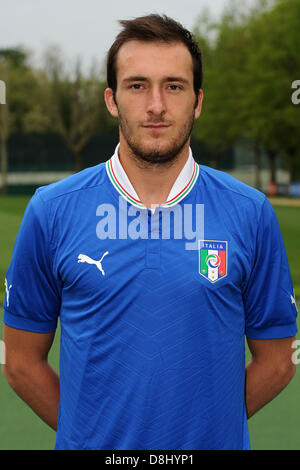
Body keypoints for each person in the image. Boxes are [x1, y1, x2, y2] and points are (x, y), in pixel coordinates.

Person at [2, 14, 298, 451]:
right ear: (112, 99)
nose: (156, 105)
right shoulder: (52, 211)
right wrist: (89, 435)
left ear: (197, 101)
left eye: (174, 86)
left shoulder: (250, 212)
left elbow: (277, 361)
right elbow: (21, 360)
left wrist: (206, 432)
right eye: (137, 85)